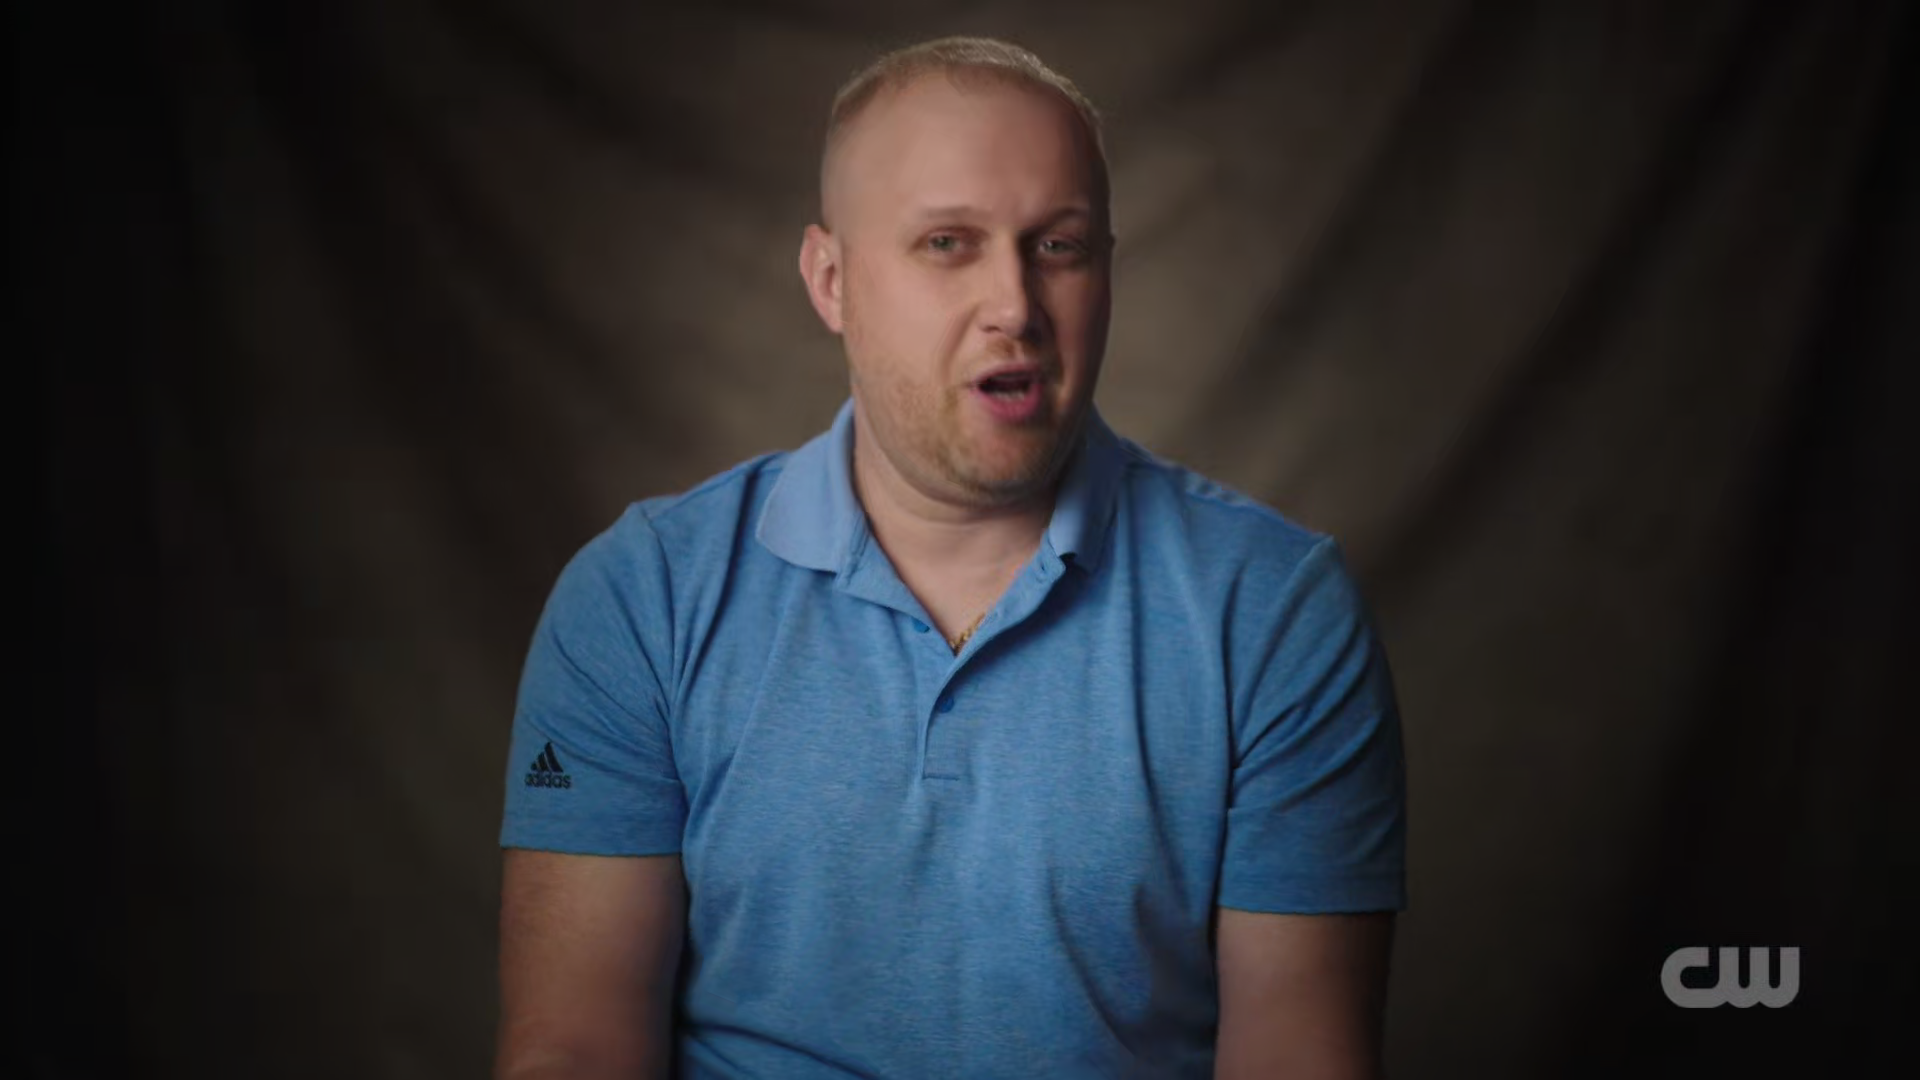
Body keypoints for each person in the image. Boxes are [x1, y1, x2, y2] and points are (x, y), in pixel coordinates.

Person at [495, 36, 1406, 1080]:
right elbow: (573, 1050)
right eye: (947, 243)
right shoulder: (641, 598)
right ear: (832, 281)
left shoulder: (1274, 611)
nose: (1015, 304)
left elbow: (1299, 1058)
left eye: (1058, 245)